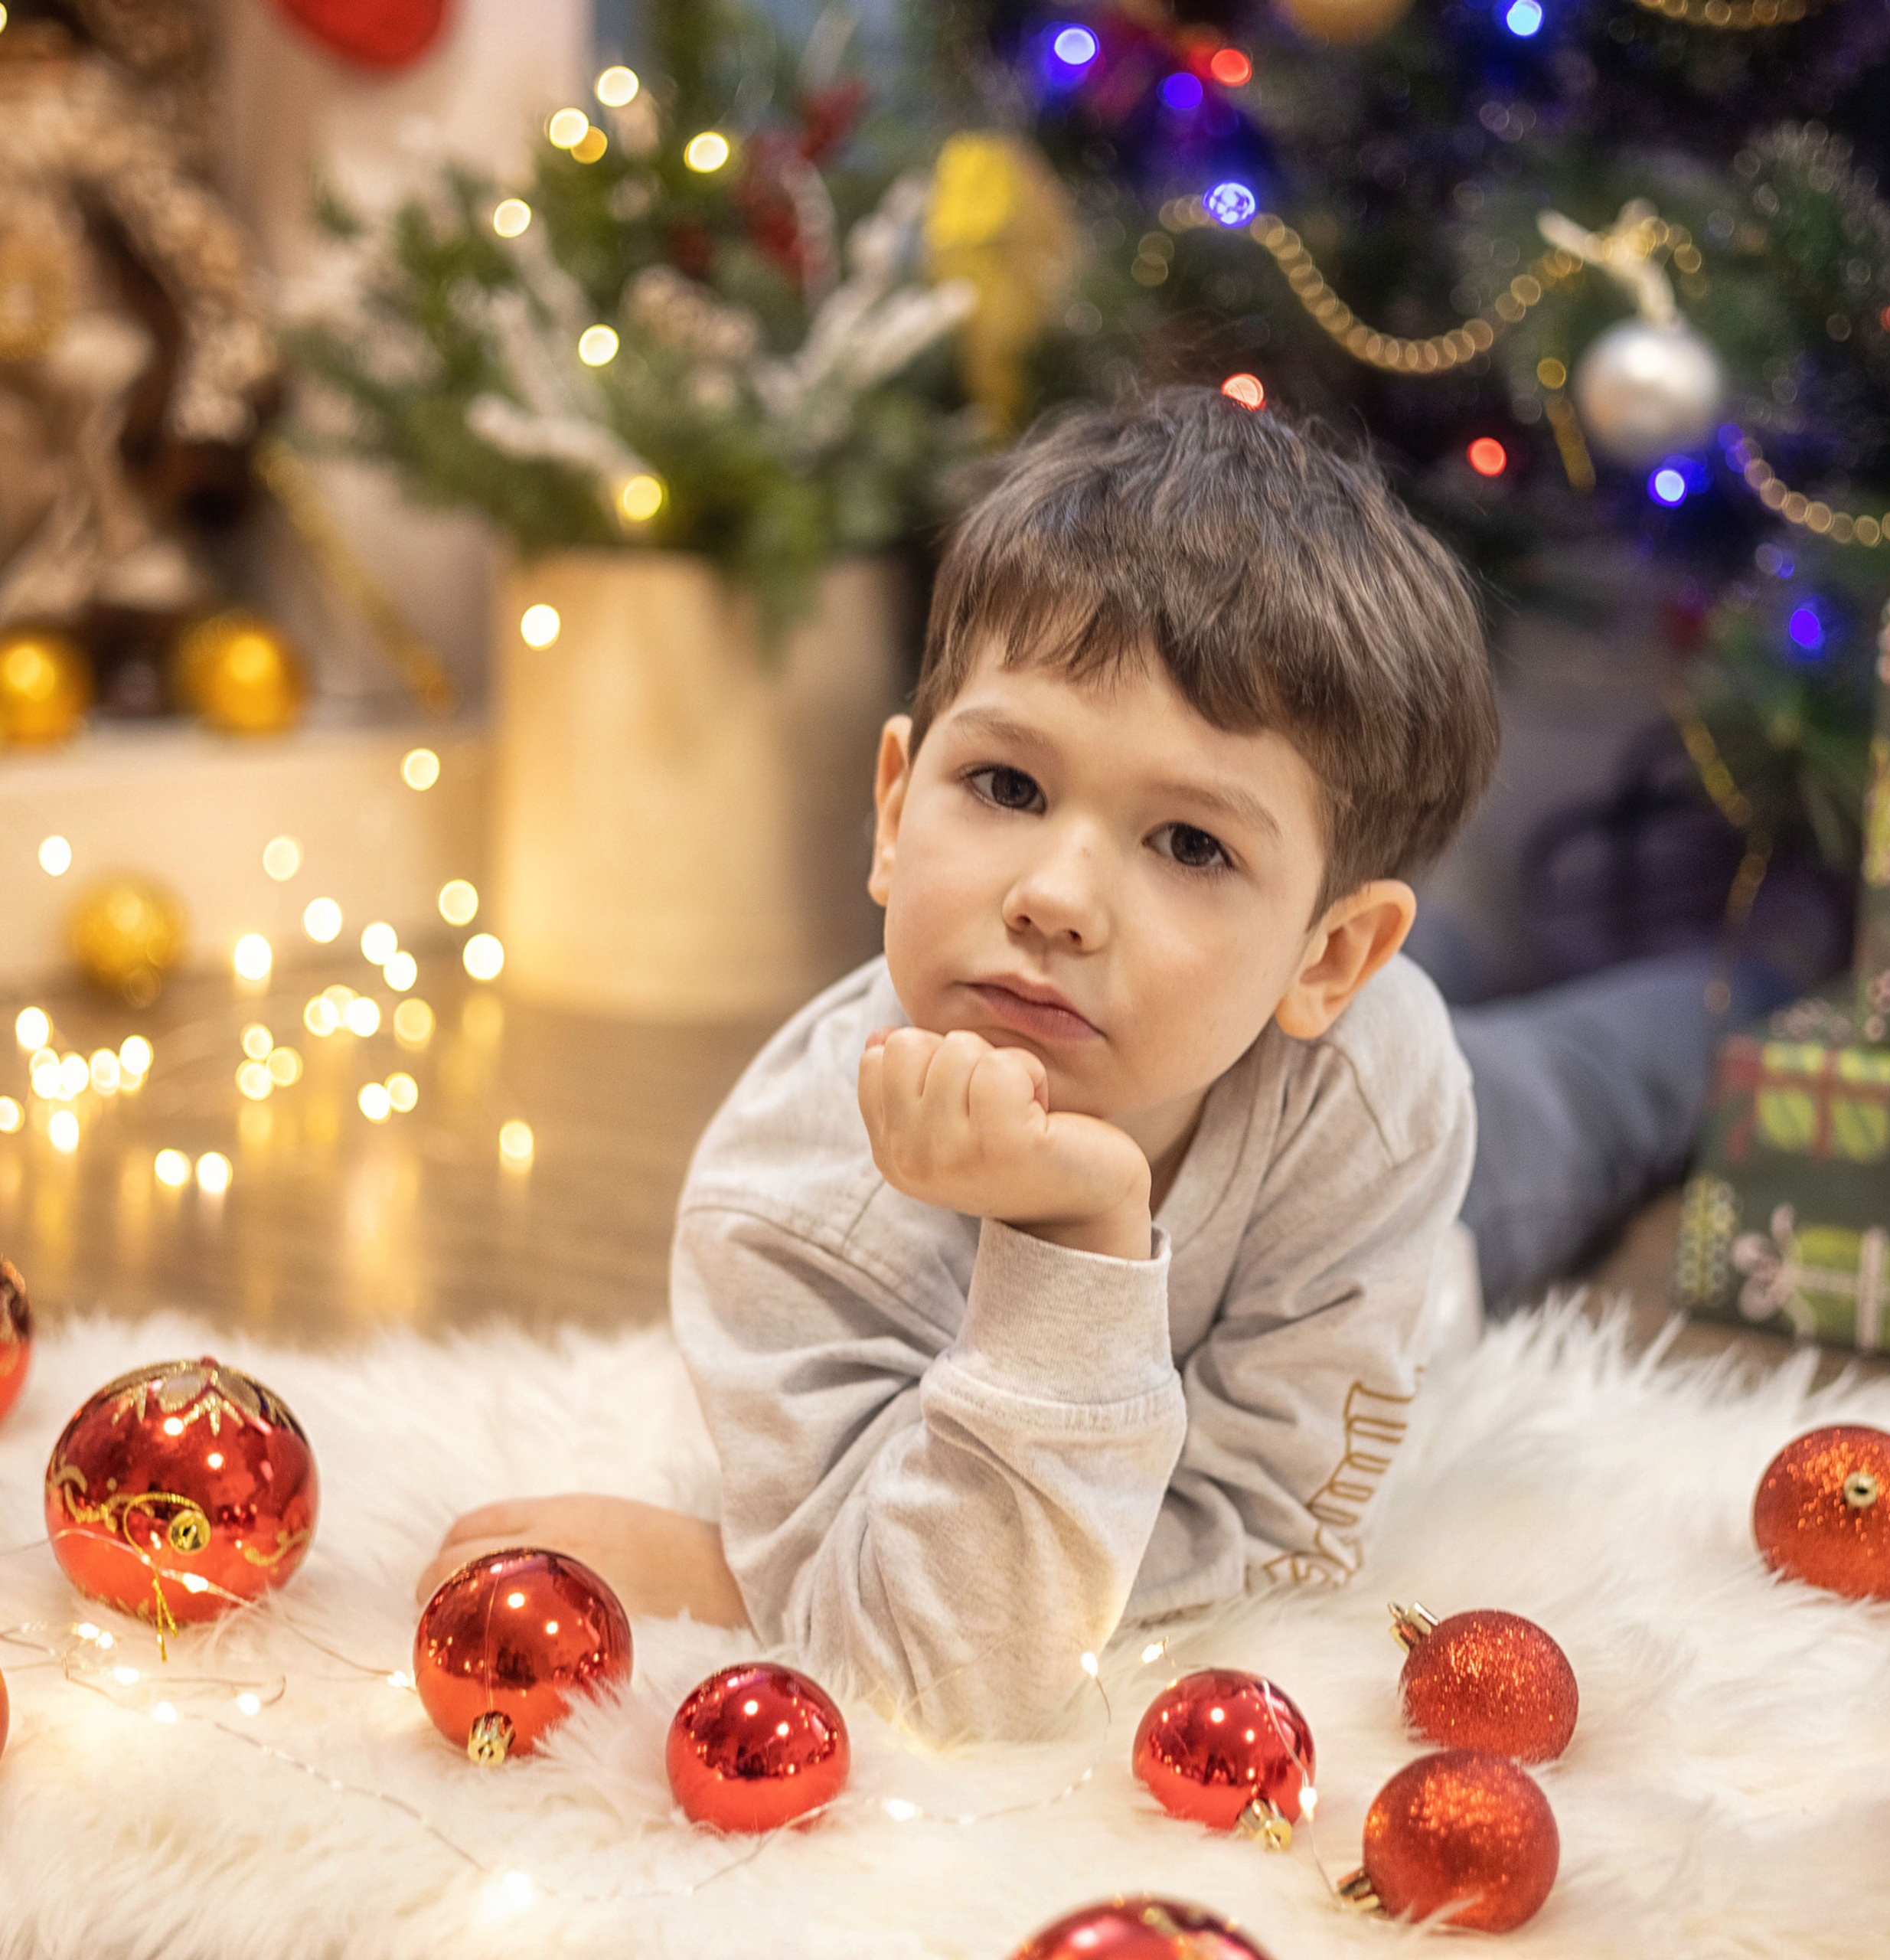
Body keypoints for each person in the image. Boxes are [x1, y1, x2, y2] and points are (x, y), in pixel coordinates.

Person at [417, 386, 1500, 1743]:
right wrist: (1082, 1237)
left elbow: (1271, 1544)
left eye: (1190, 845)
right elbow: (944, 1671)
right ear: (893, 806)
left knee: (1617, 1079)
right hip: (1327, 1144)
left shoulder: (1376, 1092)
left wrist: (752, 1583)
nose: (1057, 895)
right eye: (1006, 786)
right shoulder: (792, 1203)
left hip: (1433, 1215)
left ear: (1331, 960)